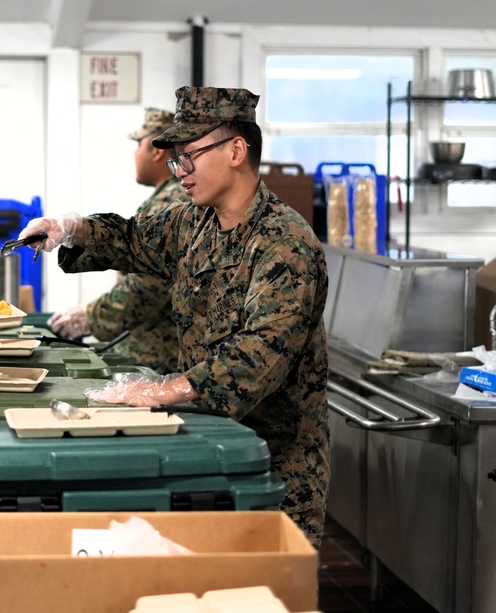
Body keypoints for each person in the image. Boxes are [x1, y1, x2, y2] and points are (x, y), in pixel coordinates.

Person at [19, 86, 330, 548]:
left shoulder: (284, 244)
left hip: (273, 466)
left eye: (189, 156)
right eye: (175, 159)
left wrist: (168, 389)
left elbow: (261, 353)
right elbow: (131, 238)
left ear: (236, 151)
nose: (179, 170)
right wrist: (71, 229)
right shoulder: (193, 223)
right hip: (209, 446)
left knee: (263, 581)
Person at [47, 107, 188, 373]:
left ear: (156, 151)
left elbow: (148, 284)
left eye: (138, 144)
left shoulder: (169, 202)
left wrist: (92, 316)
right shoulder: (170, 197)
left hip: (158, 354)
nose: (135, 154)